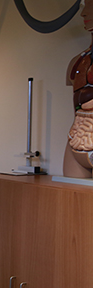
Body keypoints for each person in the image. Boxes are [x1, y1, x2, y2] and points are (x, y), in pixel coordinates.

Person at [64, 0, 93, 178]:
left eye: (90, 4)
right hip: (77, 142)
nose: (83, 13)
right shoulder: (76, 63)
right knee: (70, 203)